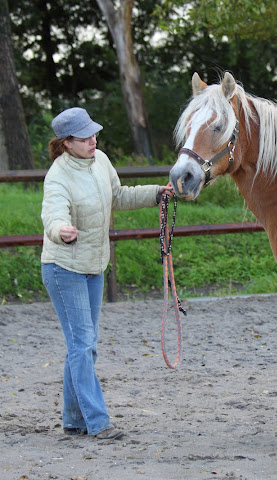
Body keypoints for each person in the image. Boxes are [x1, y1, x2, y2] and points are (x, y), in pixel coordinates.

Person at [41, 107, 173, 440]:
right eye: (84, 137)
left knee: (83, 346)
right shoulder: (58, 176)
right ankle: (98, 422)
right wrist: (61, 230)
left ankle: (74, 419)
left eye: (93, 134)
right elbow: (52, 213)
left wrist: (156, 193)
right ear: (67, 143)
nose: (93, 140)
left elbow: (118, 196)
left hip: (93, 266)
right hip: (63, 269)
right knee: (82, 345)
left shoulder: (100, 160)